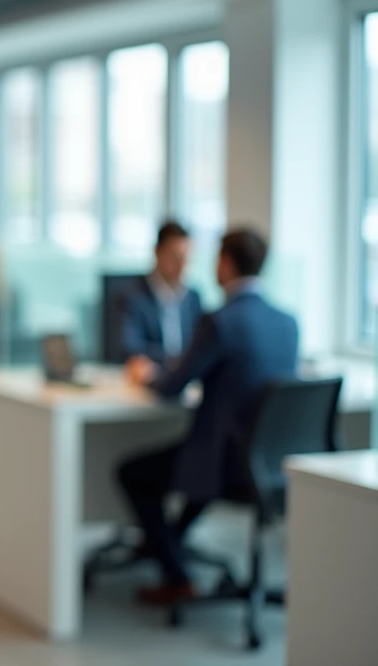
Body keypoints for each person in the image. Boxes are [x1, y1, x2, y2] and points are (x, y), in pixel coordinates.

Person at [120, 228, 298, 606]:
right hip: (270, 462)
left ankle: (175, 571)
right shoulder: (288, 322)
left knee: (133, 473)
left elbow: (171, 386)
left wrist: (149, 374)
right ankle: (171, 546)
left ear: (227, 263)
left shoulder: (220, 320)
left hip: (225, 462)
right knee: (190, 463)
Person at [121, 221, 203, 370]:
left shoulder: (193, 297)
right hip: (147, 379)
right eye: (176, 258)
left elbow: (202, 344)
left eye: (186, 259)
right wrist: (180, 359)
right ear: (157, 252)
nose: (182, 266)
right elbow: (130, 348)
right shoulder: (132, 296)